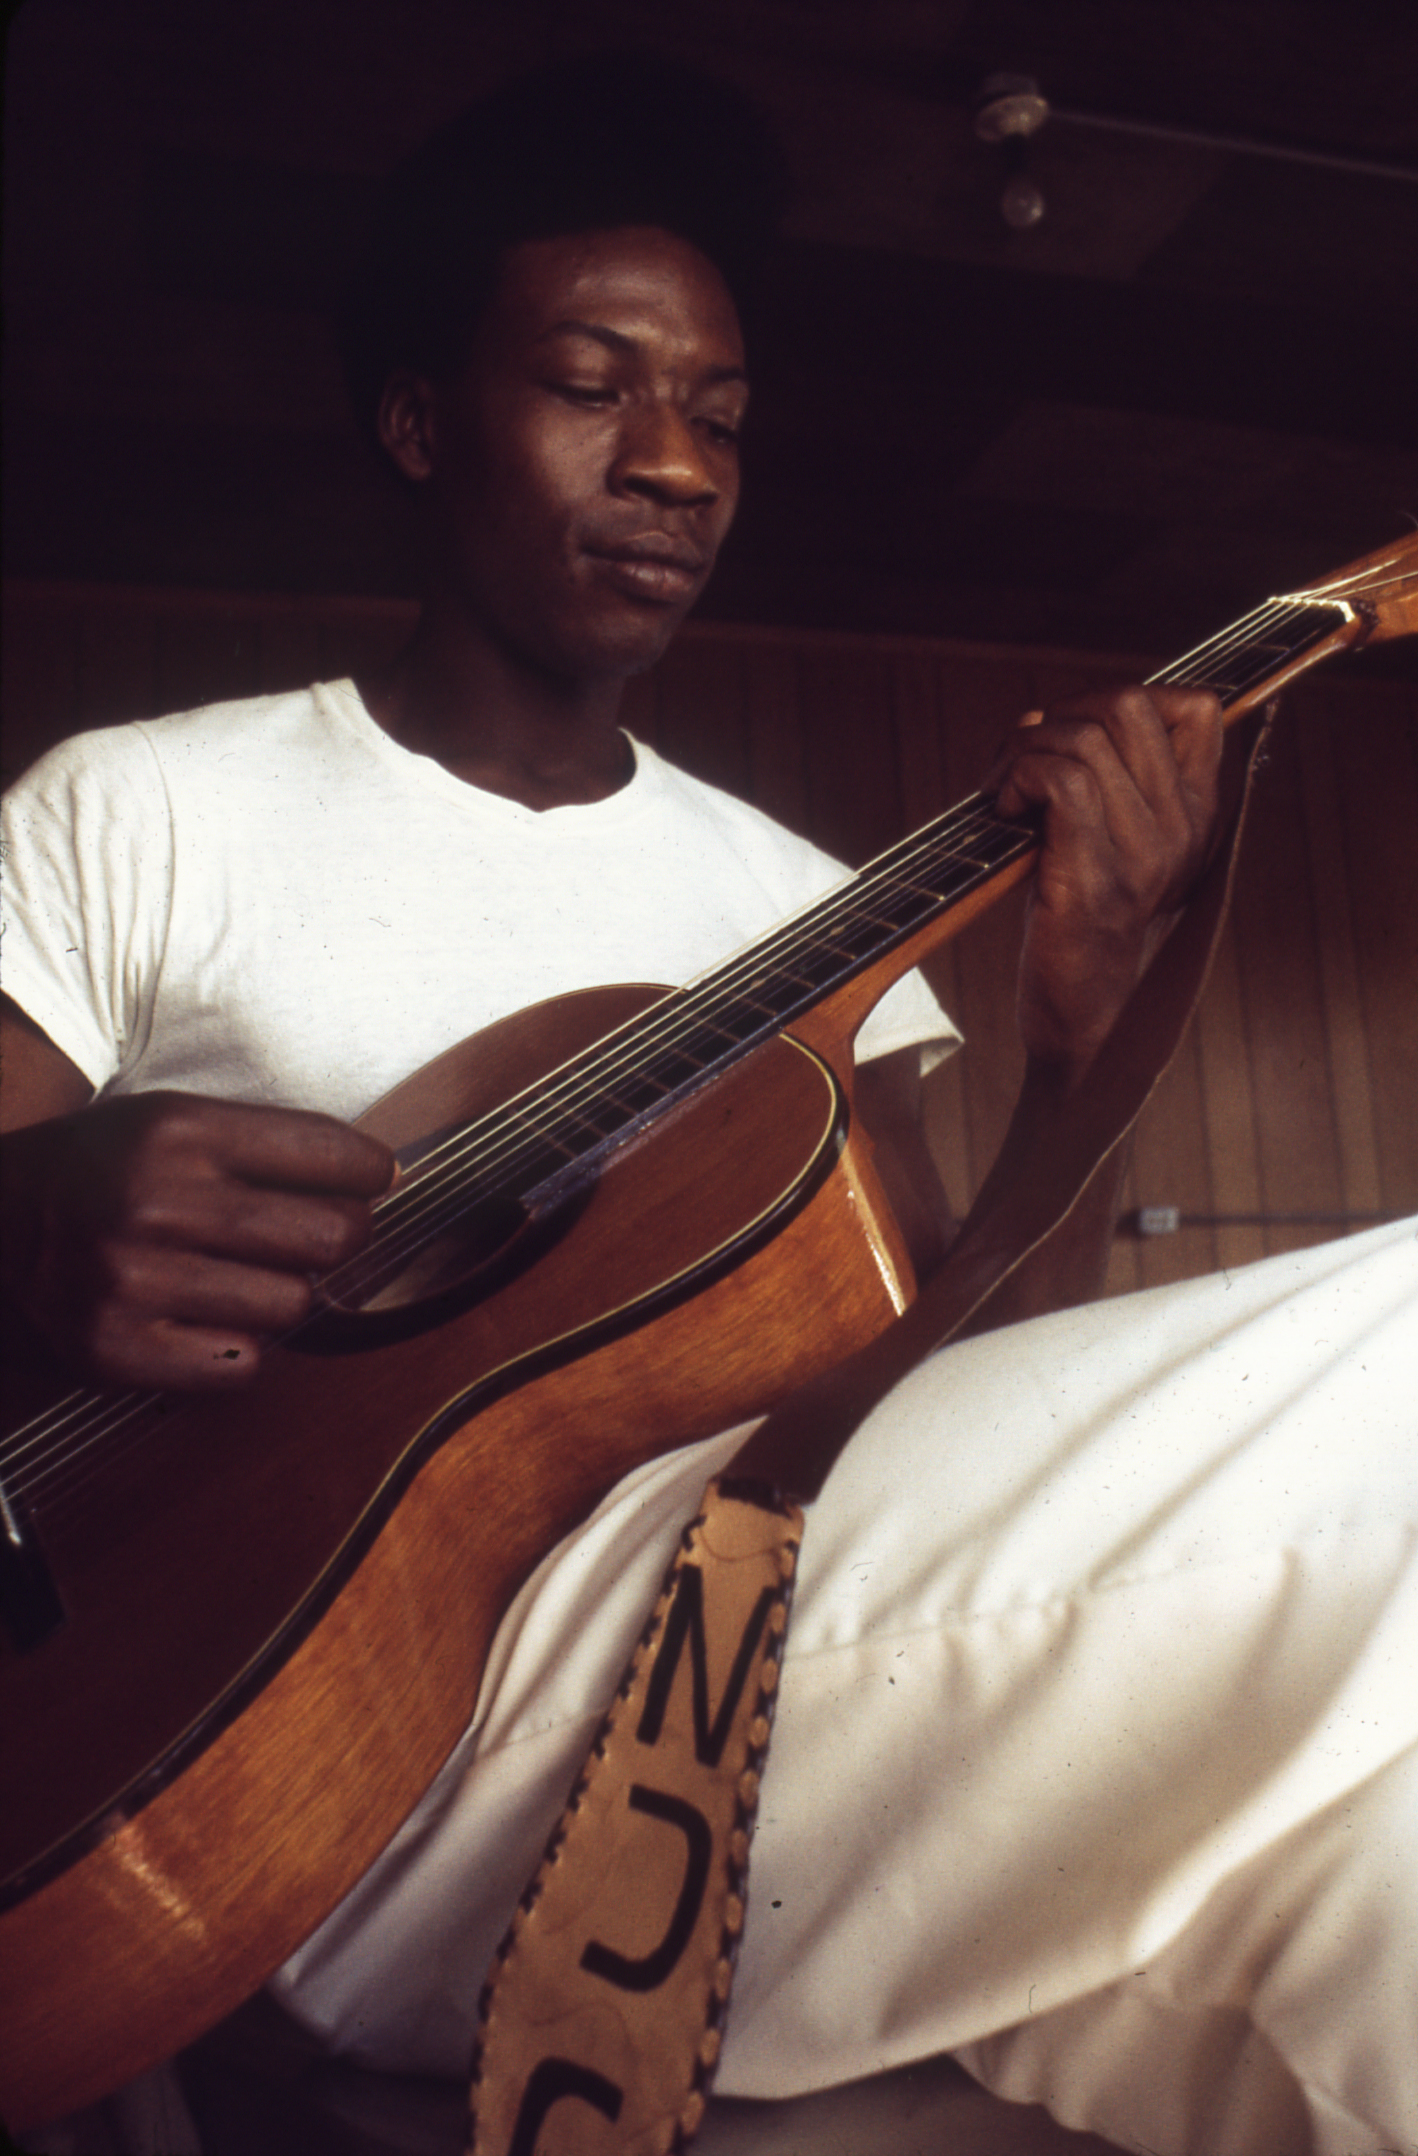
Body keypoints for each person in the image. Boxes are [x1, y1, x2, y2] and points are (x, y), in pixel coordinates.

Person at [2, 56, 1413, 2156]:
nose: (673, 463)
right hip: (321, 1723)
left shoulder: (809, 912)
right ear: (418, 423)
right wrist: (25, 1221)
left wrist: (1082, 1025)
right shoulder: (139, 806)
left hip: (759, 1635)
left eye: (721, 417)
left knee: (1375, 1891)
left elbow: (954, 1426)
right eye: (595, 384)